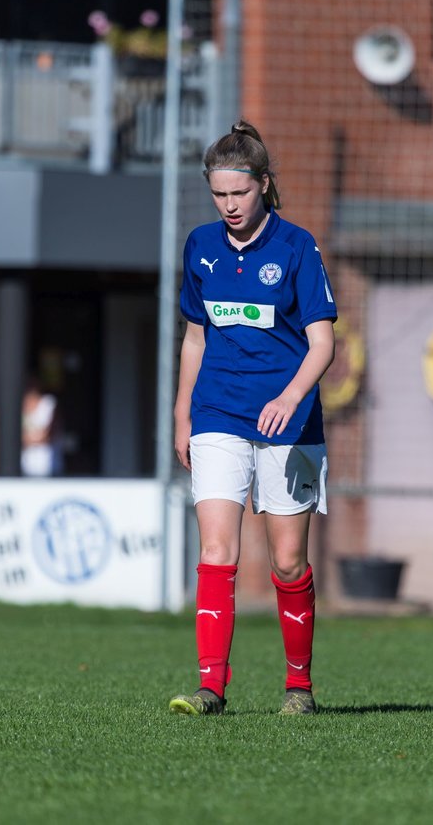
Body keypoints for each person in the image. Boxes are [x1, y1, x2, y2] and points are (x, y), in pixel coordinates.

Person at [168, 121, 336, 717]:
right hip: (218, 411)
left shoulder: (297, 248)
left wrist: (290, 397)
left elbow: (322, 345)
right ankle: (210, 687)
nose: (229, 206)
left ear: (263, 185)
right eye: (219, 195)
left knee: (288, 561)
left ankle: (298, 687)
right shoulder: (200, 247)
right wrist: (184, 409)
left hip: (290, 423)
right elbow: (195, 336)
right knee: (218, 549)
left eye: (239, 193)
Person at [21, 376, 61, 477]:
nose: (31, 389)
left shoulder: (48, 403)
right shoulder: (19, 404)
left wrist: (29, 439)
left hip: (45, 462)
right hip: (24, 462)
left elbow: (48, 433)